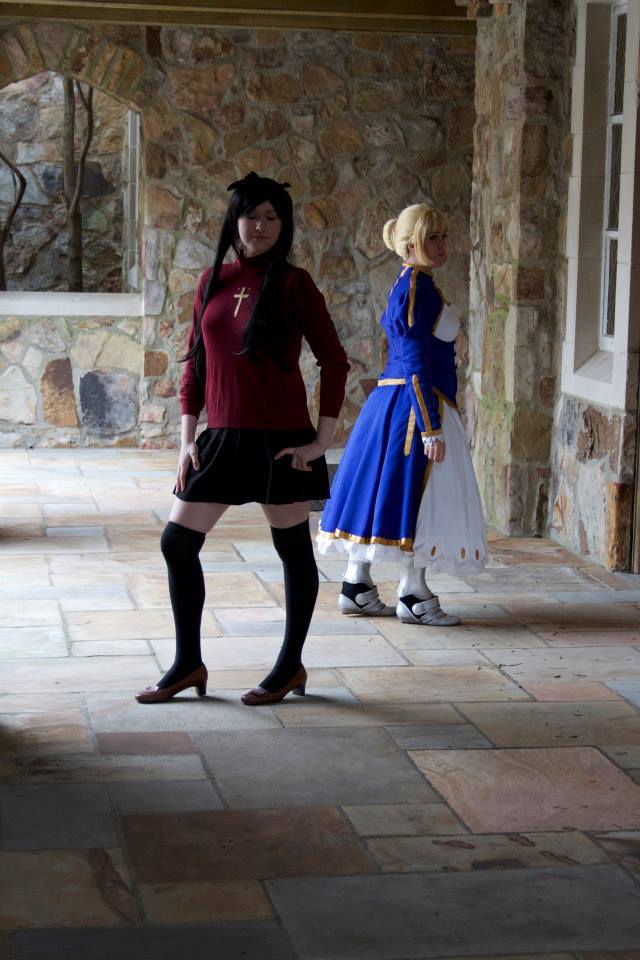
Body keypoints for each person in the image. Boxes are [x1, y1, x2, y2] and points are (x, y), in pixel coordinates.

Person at [136, 172, 349, 705]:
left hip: (282, 443)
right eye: (251, 215)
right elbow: (196, 362)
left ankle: (289, 665)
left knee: (292, 550)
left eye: (272, 217)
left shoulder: (296, 284)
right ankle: (188, 664)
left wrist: (321, 442)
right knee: (177, 542)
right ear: (235, 221)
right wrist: (188, 438)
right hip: (222, 438)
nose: (260, 226)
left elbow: (334, 362)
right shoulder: (212, 280)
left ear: (284, 225)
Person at [317, 203, 487, 625]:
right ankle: (413, 593)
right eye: (433, 238)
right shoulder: (417, 289)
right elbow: (414, 362)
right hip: (414, 407)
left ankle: (357, 585)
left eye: (443, 236)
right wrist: (430, 427)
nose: (442, 245)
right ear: (410, 245)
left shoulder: (413, 283)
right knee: (418, 496)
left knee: (383, 491)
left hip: (395, 404)